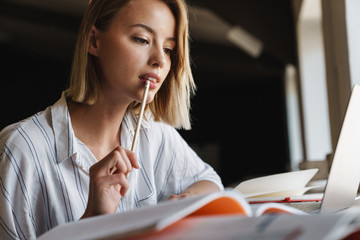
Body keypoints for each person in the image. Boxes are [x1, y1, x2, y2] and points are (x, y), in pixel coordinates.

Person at [0, 0, 223, 239]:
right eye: (142, 39)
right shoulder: (20, 148)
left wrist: (184, 201)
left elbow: (209, 182)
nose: (160, 59)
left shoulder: (156, 136)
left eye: (168, 48)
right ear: (94, 41)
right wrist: (92, 219)